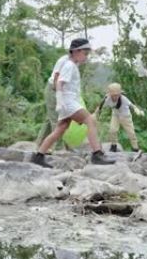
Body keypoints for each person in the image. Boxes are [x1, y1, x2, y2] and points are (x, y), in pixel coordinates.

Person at [31, 38, 114, 168]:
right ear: (76, 51)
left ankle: (38, 156)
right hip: (68, 101)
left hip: (68, 101)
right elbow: (59, 82)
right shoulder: (69, 65)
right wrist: (59, 100)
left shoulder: (72, 64)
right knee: (90, 120)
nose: (86, 57)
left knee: (60, 128)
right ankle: (97, 154)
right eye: (85, 54)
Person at [93, 83, 144, 152]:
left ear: (120, 94)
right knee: (112, 130)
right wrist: (95, 114)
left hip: (126, 117)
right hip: (115, 116)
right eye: (113, 95)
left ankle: (135, 148)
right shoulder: (107, 99)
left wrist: (137, 110)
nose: (115, 97)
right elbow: (100, 107)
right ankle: (114, 146)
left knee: (131, 133)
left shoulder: (123, 99)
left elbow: (131, 105)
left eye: (117, 95)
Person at [35, 53, 69, 151]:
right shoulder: (65, 61)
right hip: (53, 90)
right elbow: (56, 79)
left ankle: (40, 143)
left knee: (49, 119)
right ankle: (58, 148)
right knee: (57, 120)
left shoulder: (74, 63)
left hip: (61, 91)